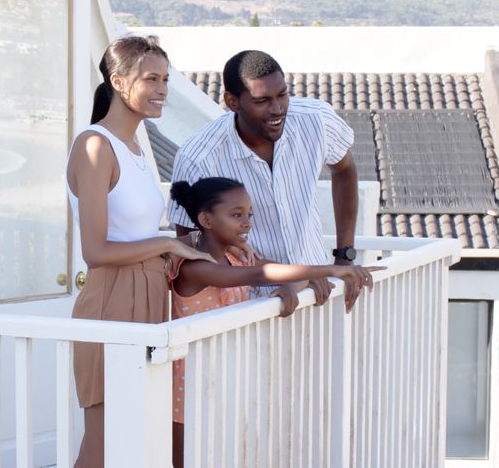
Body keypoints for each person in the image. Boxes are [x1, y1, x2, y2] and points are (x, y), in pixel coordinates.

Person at [66, 36, 214, 468]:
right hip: (111, 298)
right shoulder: (95, 146)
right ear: (118, 81)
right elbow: (95, 250)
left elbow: (138, 231)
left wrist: (193, 246)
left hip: (150, 295)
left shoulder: (135, 149)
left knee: (137, 437)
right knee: (105, 443)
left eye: (166, 79)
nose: (163, 89)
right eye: (152, 78)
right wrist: (169, 243)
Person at [165, 177, 381, 467]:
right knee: (185, 459)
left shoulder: (236, 258)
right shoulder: (195, 268)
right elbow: (262, 275)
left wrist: (295, 285)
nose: (247, 222)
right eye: (236, 215)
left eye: (248, 214)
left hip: (228, 378)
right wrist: (333, 269)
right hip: (189, 383)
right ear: (206, 219)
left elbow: (279, 271)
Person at [168, 49, 368, 311]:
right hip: (247, 310)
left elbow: (344, 169)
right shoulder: (198, 157)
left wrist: (344, 256)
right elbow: (193, 242)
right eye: (262, 100)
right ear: (232, 101)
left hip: (321, 292)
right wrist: (302, 276)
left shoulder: (317, 121)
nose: (278, 109)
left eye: (283, 94)